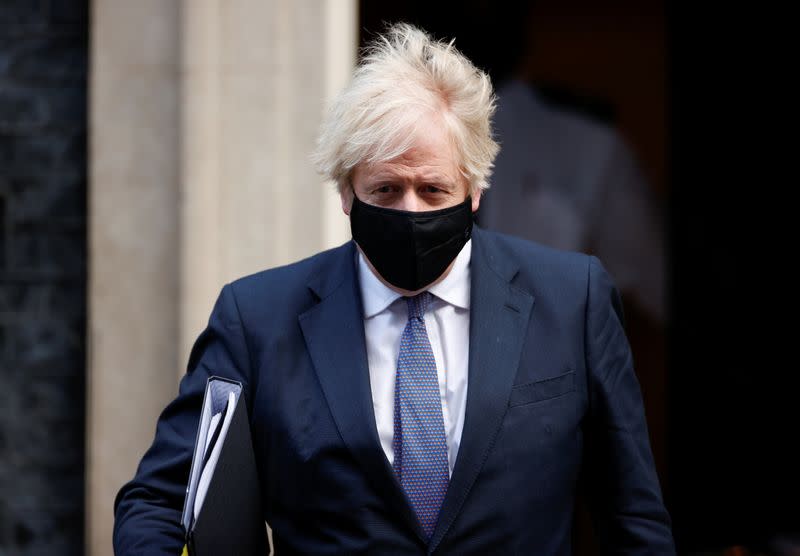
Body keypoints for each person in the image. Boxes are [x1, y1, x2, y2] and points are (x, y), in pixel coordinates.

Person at [113, 23, 675, 555]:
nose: (410, 211)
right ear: (346, 193)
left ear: (475, 188)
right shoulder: (258, 320)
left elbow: (632, 518)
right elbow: (159, 501)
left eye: (433, 190)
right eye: (385, 189)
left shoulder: (571, 300)